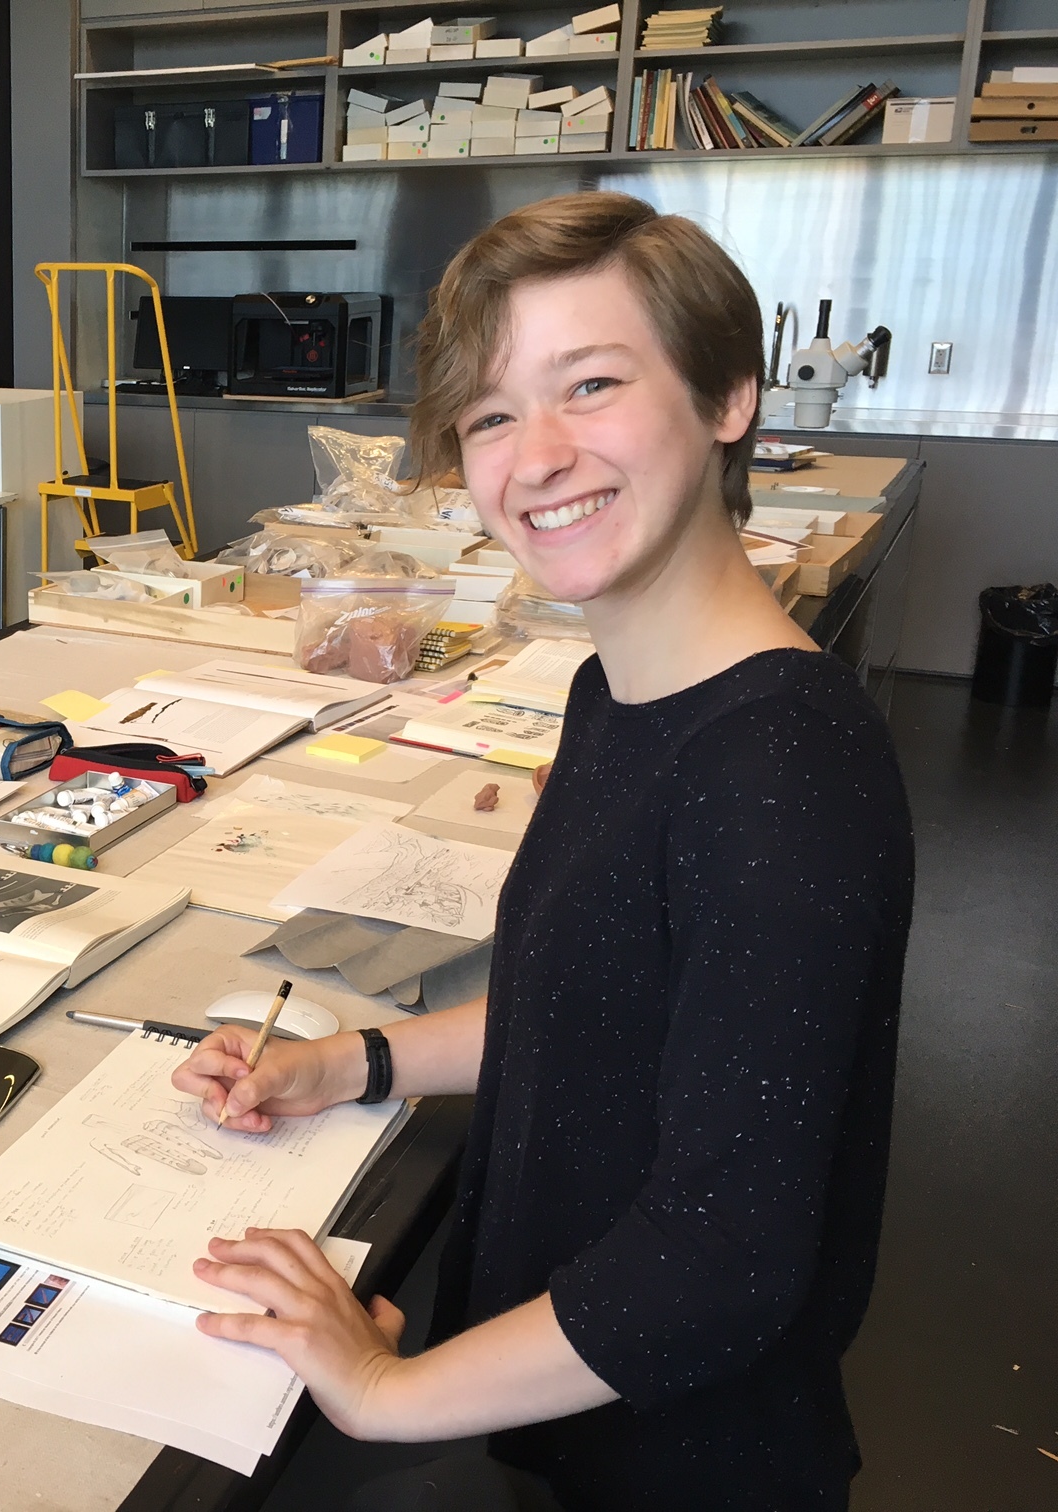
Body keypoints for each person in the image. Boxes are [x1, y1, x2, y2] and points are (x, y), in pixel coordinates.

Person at [172, 192, 914, 1511]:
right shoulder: (621, 689)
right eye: (494, 414)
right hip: (579, 1421)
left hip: (689, 1464)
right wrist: (350, 1061)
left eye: (592, 384)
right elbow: (596, 1005)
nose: (538, 456)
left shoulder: (779, 769)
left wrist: (387, 1390)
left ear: (729, 395)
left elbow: (720, 1262)